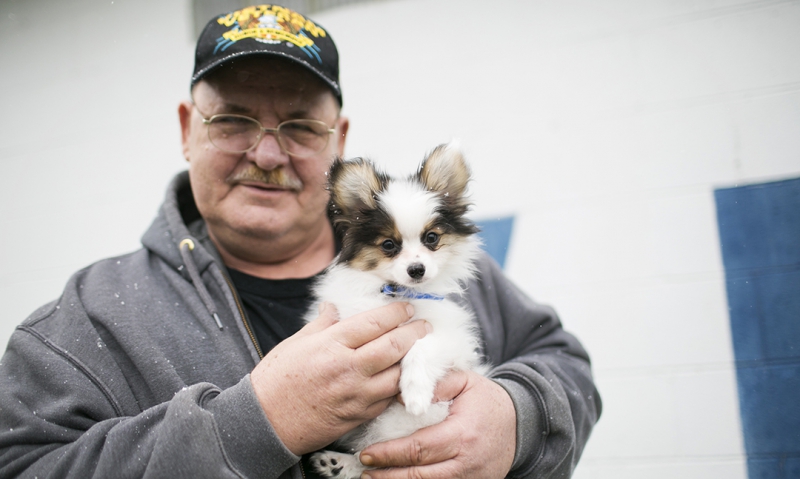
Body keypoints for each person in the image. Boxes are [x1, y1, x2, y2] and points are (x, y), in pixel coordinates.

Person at [0, 4, 601, 479]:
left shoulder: (434, 264)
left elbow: (562, 361)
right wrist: (251, 426)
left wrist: (517, 419)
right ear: (188, 129)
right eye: (233, 120)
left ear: (338, 139)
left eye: (301, 126)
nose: (266, 154)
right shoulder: (87, 319)